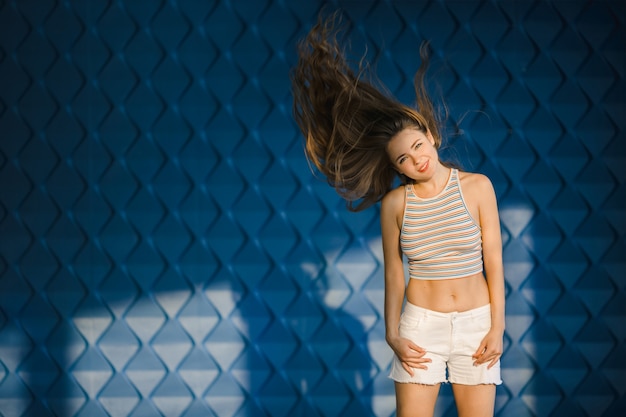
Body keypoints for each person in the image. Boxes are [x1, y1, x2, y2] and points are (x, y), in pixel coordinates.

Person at [291, 11, 505, 417]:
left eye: (418, 146)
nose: (416, 160)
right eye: (403, 159)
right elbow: (394, 271)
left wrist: (498, 326)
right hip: (421, 327)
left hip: (476, 325)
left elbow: (493, 260)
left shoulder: (478, 187)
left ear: (431, 135)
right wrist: (392, 332)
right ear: (398, 169)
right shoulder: (396, 205)